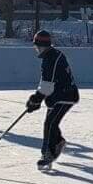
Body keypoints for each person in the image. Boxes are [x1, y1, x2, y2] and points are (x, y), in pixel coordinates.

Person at [25, 30, 80, 170]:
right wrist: (36, 99)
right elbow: (46, 82)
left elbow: (47, 85)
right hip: (57, 96)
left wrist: (36, 99)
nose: (35, 48)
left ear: (42, 46)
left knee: (50, 123)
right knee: (50, 123)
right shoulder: (50, 56)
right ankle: (58, 141)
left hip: (65, 96)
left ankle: (48, 154)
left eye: (36, 46)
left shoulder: (51, 58)